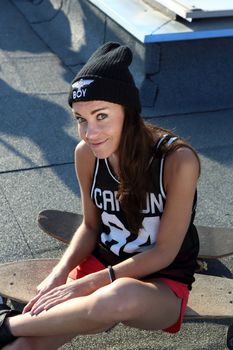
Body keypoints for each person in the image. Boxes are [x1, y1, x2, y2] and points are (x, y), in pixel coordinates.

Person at [0, 42, 200, 350]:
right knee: (28, 344)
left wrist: (87, 284)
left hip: (160, 284)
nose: (89, 132)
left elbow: (164, 253)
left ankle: (8, 324)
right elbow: (90, 227)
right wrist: (59, 274)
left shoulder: (177, 161)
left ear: (128, 112)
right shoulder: (87, 155)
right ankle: (14, 331)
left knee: (117, 296)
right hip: (101, 265)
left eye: (101, 115)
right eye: (81, 119)